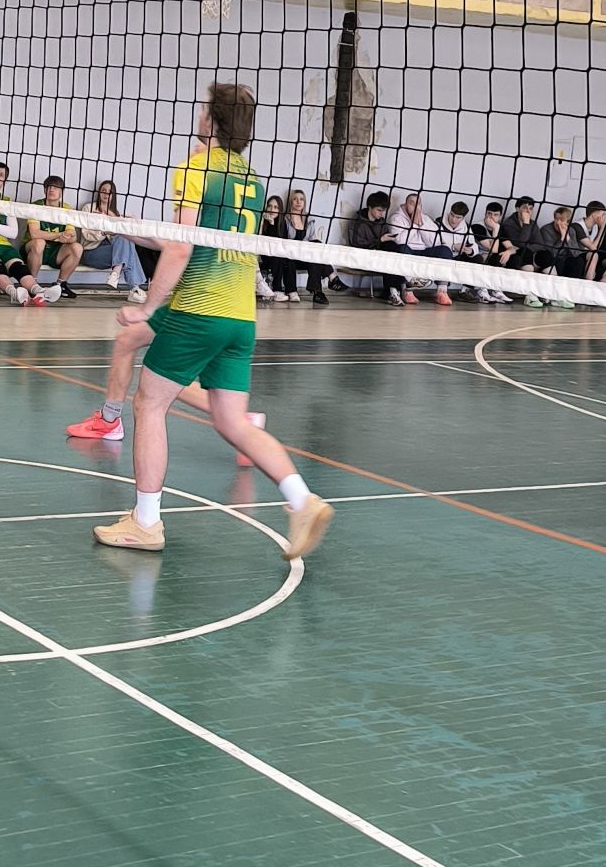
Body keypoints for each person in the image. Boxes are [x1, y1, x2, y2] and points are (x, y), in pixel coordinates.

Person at [91, 84, 331, 560]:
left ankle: (145, 523)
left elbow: (182, 247)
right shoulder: (252, 179)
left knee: (150, 403)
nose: (199, 115)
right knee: (229, 419)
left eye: (205, 109)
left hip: (198, 308)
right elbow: (199, 238)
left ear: (213, 121)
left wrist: (147, 308)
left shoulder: (196, 168)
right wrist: (129, 228)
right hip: (240, 316)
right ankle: (303, 500)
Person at [0, 162, 56, 305]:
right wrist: (3, 228)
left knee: (19, 267)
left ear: (5, 180)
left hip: (5, 245)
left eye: (1, 175)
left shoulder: (7, 201)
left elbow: (13, 233)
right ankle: (15, 293)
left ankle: (40, 291)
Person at [79, 179, 150, 303]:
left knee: (125, 238)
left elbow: (120, 239)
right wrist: (104, 231)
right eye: (103, 191)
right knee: (128, 251)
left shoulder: (115, 213)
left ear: (113, 195)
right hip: (91, 251)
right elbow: (86, 235)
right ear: (99, 193)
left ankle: (116, 275)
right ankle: (134, 288)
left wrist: (129, 221)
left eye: (110, 192)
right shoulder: (88, 208)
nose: (106, 194)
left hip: (112, 253)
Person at [389, 191, 455, 306]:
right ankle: (407, 291)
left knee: (444, 250)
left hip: (424, 251)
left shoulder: (426, 219)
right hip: (408, 250)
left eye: (418, 204)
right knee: (402, 248)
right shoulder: (396, 218)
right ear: (406, 204)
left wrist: (421, 225)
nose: (415, 206)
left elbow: (434, 242)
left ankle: (442, 291)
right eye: (411, 203)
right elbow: (399, 240)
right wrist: (414, 225)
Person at [25, 175, 84, 297]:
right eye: (49, 187)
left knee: (77, 248)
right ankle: (32, 284)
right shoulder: (36, 206)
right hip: (33, 249)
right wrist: (59, 235)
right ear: (44, 190)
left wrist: (67, 238)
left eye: (55, 187)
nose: (51, 190)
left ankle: (60, 285)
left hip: (55, 252)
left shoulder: (66, 208)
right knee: (39, 242)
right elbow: (35, 234)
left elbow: (73, 237)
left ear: (62, 191)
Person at [344, 191, 403, 306]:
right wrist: (380, 240)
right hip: (362, 257)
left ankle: (392, 291)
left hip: (380, 256)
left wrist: (386, 239)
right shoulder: (357, 222)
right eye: (379, 210)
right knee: (390, 256)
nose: (382, 214)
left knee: (393, 248)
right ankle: (399, 286)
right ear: (370, 207)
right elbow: (357, 244)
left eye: (384, 211)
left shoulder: (381, 222)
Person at [530, 206, 581, 310]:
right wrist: (561, 239)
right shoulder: (546, 230)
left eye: (561, 220)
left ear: (568, 221)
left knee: (578, 261)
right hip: (552, 261)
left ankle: (569, 296)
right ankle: (556, 296)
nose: (558, 222)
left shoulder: (571, 231)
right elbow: (549, 253)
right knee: (555, 260)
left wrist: (568, 239)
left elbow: (576, 253)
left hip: (566, 260)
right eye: (556, 219)